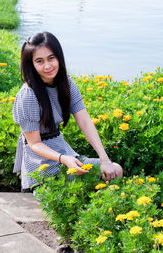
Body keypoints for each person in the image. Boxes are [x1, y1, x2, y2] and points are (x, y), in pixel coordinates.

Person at [13, 31, 123, 192]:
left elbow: (85, 121)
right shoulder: (28, 94)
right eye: (39, 61)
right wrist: (64, 159)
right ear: (32, 65)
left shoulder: (66, 83)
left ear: (59, 57)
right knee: (69, 195)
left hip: (66, 155)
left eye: (51, 58)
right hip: (40, 166)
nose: (48, 66)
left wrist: (104, 158)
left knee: (116, 170)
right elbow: (35, 143)